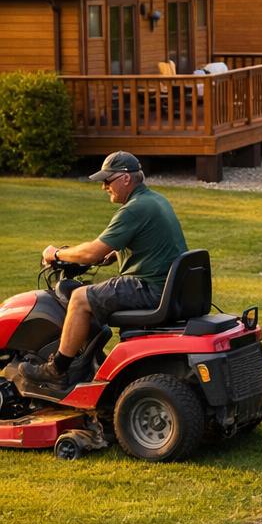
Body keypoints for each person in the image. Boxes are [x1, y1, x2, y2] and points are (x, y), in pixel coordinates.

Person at [25, 151, 187, 386]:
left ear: (125, 178)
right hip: (165, 286)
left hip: (148, 288)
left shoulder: (133, 209)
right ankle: (88, 361)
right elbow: (149, 241)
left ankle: (57, 368)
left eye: (107, 180)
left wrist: (56, 254)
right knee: (92, 294)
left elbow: (91, 252)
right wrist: (114, 253)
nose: (103, 187)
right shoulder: (156, 200)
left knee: (80, 298)